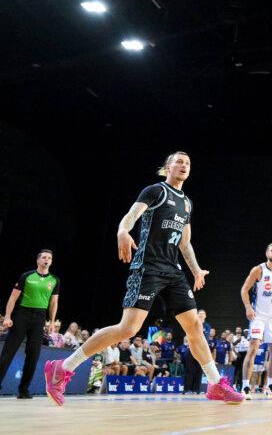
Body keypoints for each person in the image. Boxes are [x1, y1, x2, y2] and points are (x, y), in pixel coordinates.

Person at [42, 151, 243, 405]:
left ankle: (215, 384)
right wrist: (123, 231)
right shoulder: (155, 191)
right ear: (167, 167)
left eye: (188, 163)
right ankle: (63, 366)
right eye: (179, 162)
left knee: (194, 327)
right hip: (147, 267)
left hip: (173, 271)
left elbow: (185, 242)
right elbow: (131, 215)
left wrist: (196, 269)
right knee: (128, 328)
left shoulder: (187, 203)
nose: (184, 165)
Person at [0, 249, 59, 399]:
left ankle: (24, 390)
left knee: (33, 355)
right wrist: (7, 316)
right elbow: (13, 298)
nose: (47, 260)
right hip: (22, 315)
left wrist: (51, 322)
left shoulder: (54, 280)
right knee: (8, 352)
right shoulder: (26, 276)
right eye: (44, 257)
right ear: (38, 260)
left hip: (39, 317)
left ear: (51, 262)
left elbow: (54, 303)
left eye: (49, 258)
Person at [240, 242, 272, 399]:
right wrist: (248, 307)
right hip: (258, 316)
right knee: (253, 347)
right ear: (266, 253)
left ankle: (269, 386)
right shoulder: (258, 270)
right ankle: (245, 387)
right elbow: (244, 289)